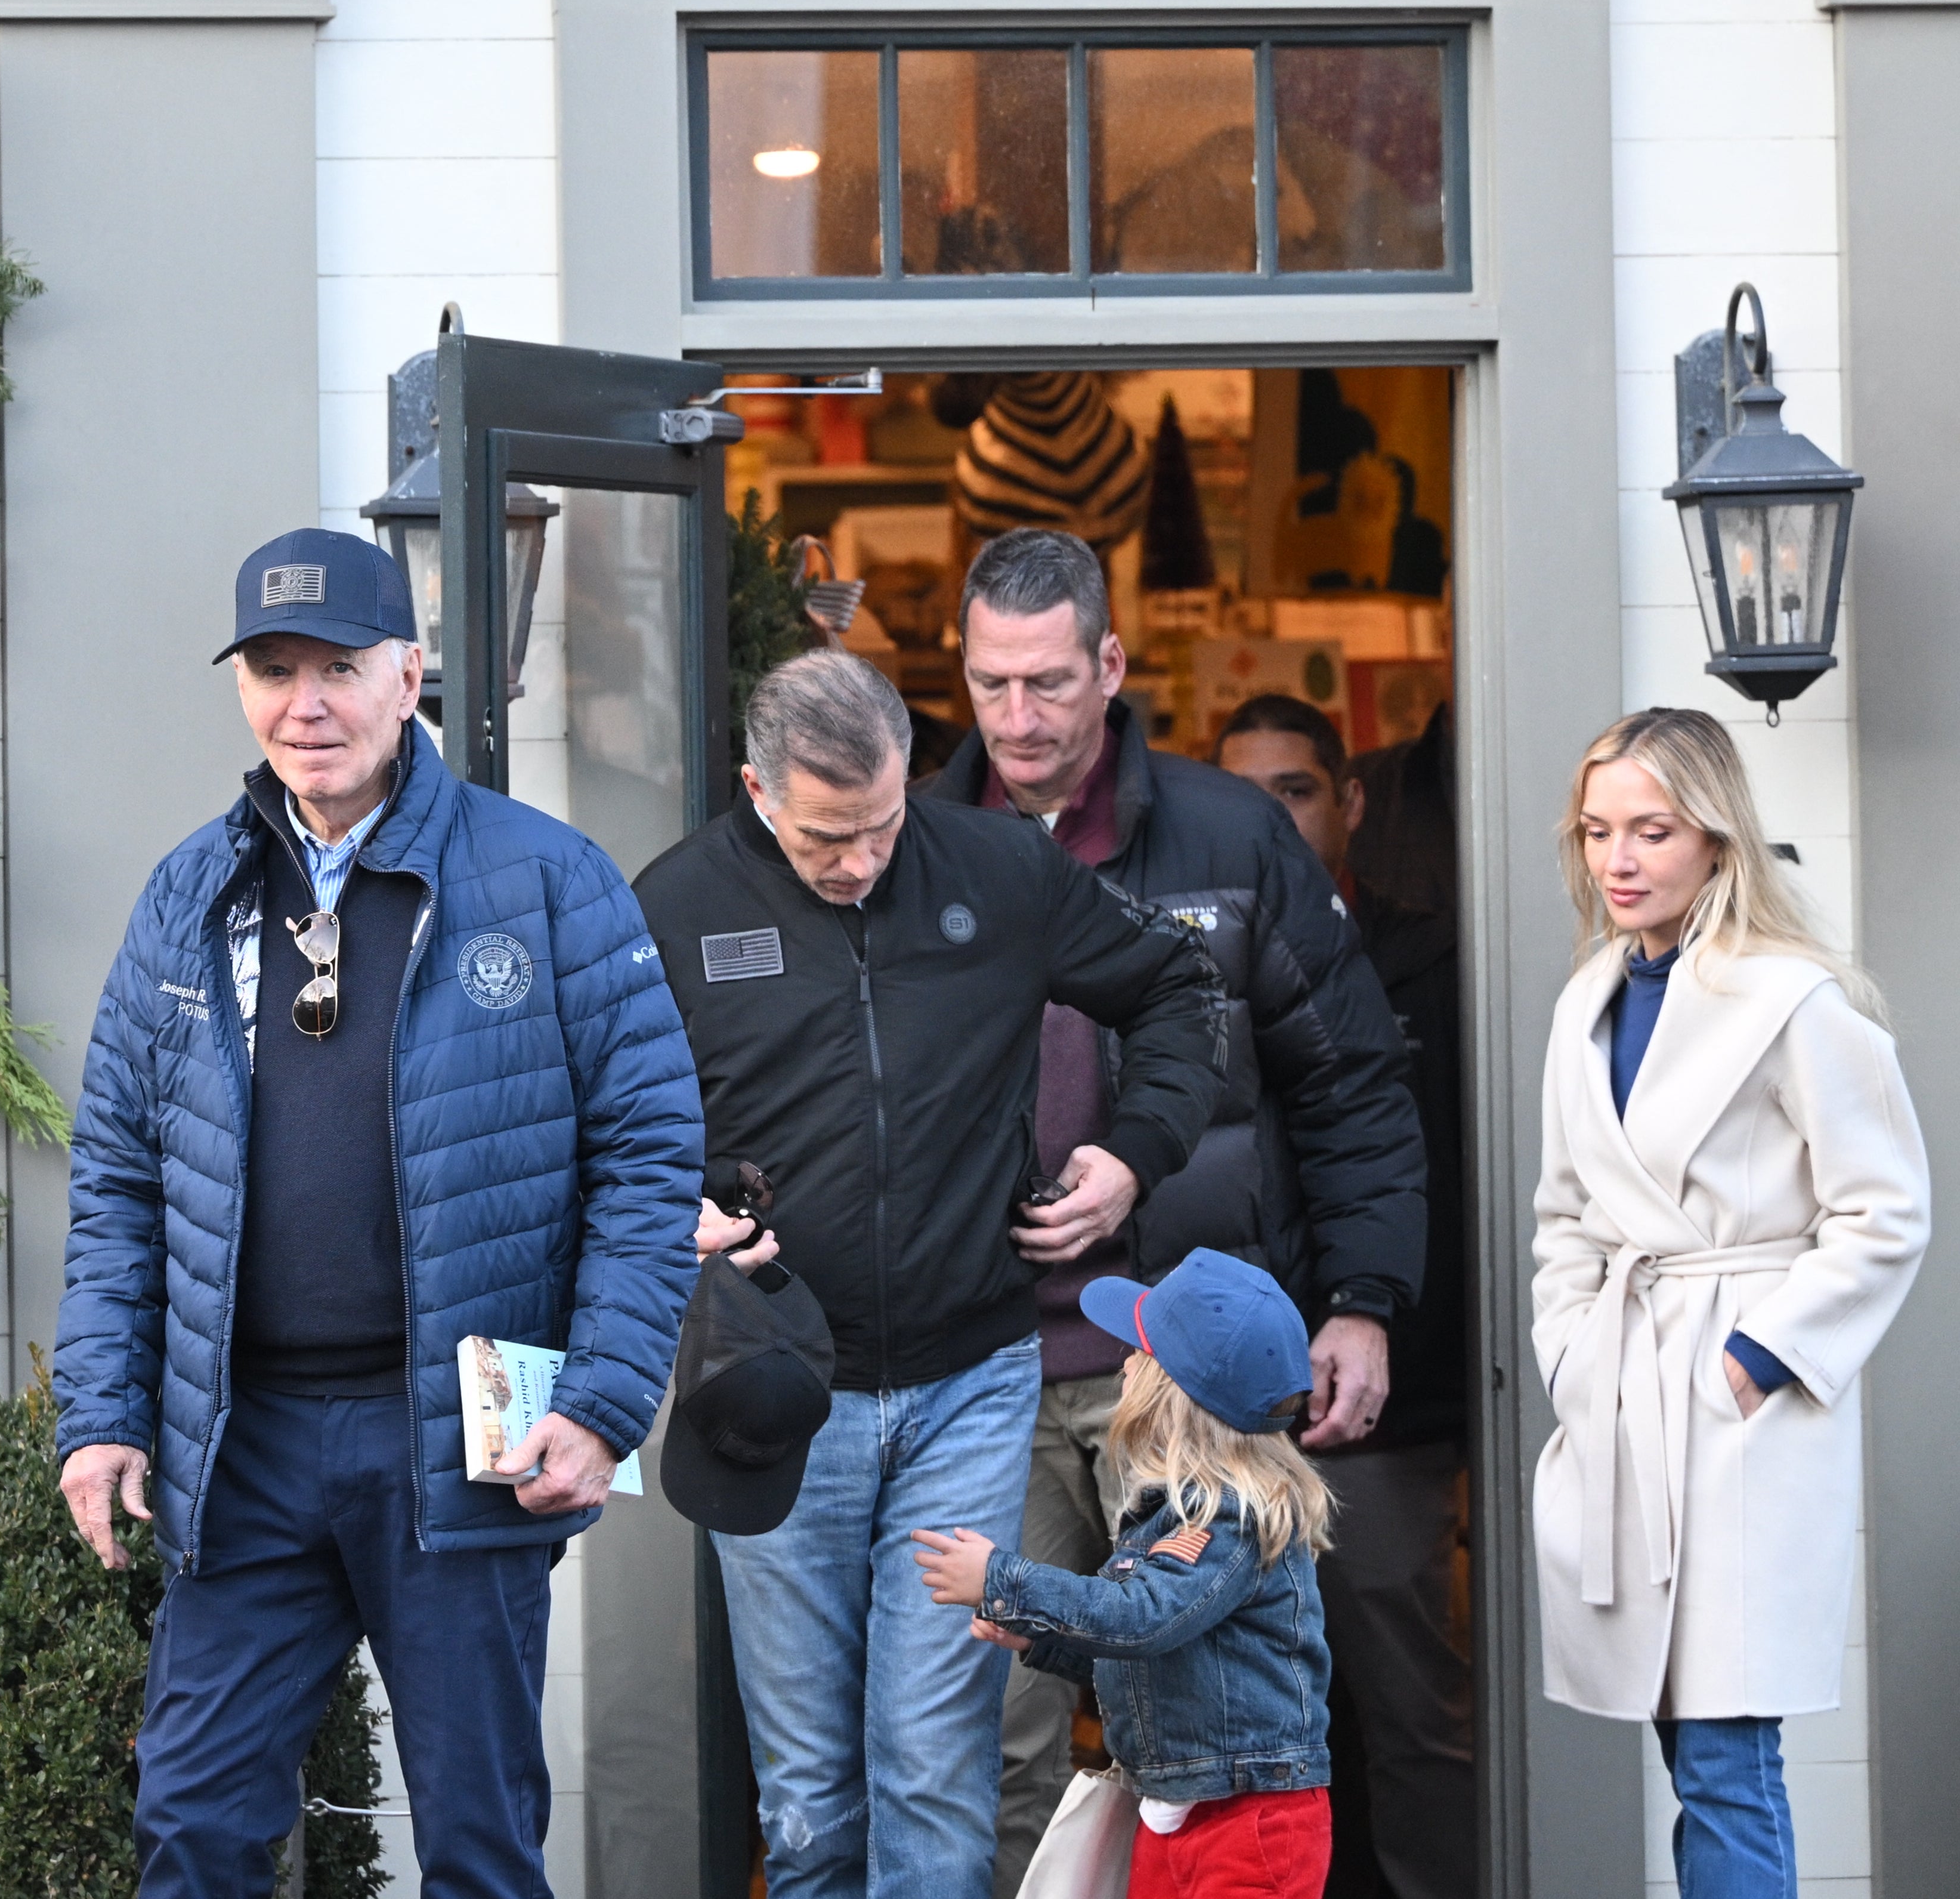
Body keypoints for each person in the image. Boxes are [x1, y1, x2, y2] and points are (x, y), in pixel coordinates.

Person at [55, 529, 703, 1899]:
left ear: (410, 674)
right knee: (193, 1829)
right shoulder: (189, 896)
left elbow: (651, 1152)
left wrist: (602, 1400)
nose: (308, 702)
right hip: (246, 1447)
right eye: (275, 669)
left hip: (458, 1440)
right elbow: (117, 1175)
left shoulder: (545, 878)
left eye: (340, 667)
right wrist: (105, 1413)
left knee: (478, 1842)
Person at [630, 649, 1226, 1899]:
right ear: (754, 787)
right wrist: (664, 1202)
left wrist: (1131, 1153)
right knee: (805, 1799)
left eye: (881, 826)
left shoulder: (999, 867)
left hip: (969, 1380)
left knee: (934, 1771)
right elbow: (594, 1116)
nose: (858, 862)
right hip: (773, 1389)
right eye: (824, 837)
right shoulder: (675, 904)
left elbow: (1177, 984)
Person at [925, 529, 1426, 1896]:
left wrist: (1364, 1303)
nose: (1017, 719)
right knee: (1006, 1733)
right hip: (988, 1372)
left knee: (1220, 1725)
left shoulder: (1230, 837)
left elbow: (1351, 1082)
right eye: (988, 686)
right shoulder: (912, 843)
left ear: (1110, 665)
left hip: (1190, 1375)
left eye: (1046, 683)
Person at [1529, 709, 1930, 1899]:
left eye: (1650, 829)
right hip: (1624, 1384)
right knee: (1675, 1730)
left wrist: (1757, 1355)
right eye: (1598, 829)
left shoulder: (1792, 1000)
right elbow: (1564, 1215)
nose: (1619, 857)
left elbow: (1885, 1206)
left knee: (1722, 1747)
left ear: (1714, 836)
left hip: (1735, 1402)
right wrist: (1569, 1360)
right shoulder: (1584, 1003)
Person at [1214, 694, 1473, 1899]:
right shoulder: (1176, 954)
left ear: (1349, 798)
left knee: (1407, 1703)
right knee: (1239, 1720)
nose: (1267, 818)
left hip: (1390, 1402)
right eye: (1243, 792)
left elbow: (1450, 1180)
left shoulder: (1436, 958)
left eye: (1295, 789)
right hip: (1218, 1411)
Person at [916, 1247, 1337, 1899]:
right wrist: (1043, 1640)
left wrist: (1005, 1579)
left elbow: (1142, 1619)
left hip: (1250, 1820)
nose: (1123, 1360)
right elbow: (1162, 1665)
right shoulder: (1174, 1512)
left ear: (1174, 1392)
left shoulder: (1227, 1520)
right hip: (1179, 1805)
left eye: (1140, 1350)